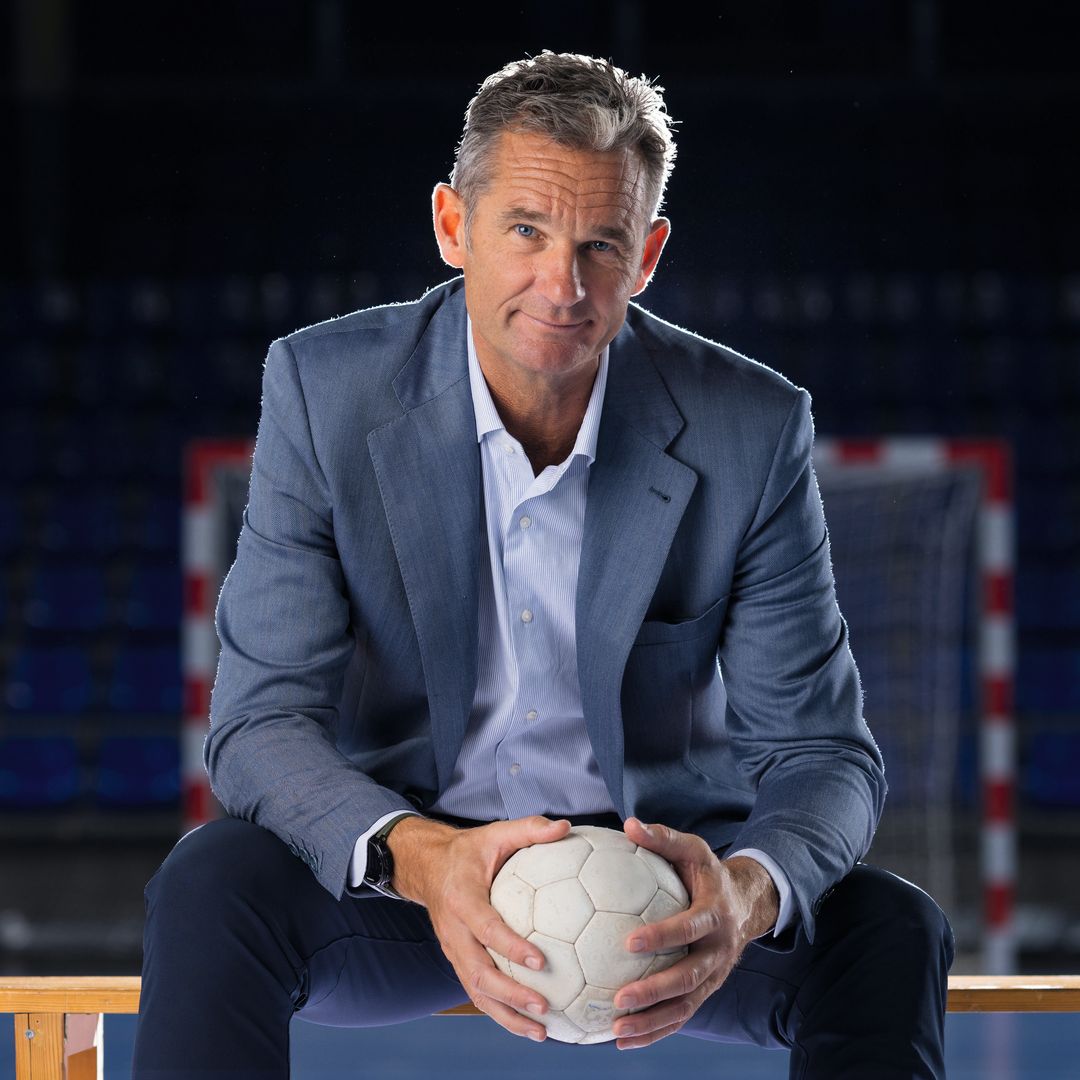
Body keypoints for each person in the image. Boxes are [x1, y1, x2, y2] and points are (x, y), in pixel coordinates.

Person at [133, 52, 953, 1078]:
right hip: (412, 885)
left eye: (600, 244)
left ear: (647, 254)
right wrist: (423, 859)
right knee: (213, 884)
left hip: (659, 897)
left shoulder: (751, 427)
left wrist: (743, 892)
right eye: (525, 230)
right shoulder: (325, 391)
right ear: (451, 226)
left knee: (890, 929)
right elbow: (259, 725)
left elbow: (827, 754)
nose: (562, 285)